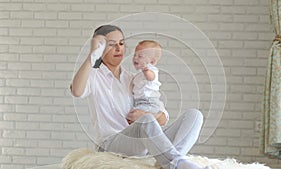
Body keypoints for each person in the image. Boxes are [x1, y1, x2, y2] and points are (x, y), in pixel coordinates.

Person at [70, 24, 211, 169]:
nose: (119, 48)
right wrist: (91, 56)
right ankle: (176, 163)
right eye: (112, 44)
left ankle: (173, 161)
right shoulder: (94, 76)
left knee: (194, 115)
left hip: (143, 143)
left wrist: (146, 115)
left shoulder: (135, 78)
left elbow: (163, 117)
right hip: (111, 144)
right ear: (100, 48)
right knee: (147, 121)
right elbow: (77, 91)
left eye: (121, 43)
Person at [129, 40, 165, 125]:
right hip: (140, 102)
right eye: (135, 55)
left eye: (140, 56)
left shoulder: (151, 70)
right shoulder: (138, 74)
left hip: (149, 102)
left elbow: (151, 77)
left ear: (152, 62)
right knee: (135, 118)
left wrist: (146, 71)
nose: (135, 58)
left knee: (133, 117)